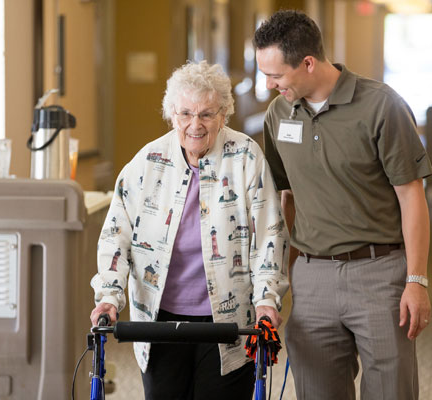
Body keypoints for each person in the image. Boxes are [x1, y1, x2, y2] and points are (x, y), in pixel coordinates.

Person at [254, 10, 432, 400]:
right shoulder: (278, 114)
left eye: (277, 75)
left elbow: (411, 196)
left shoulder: (382, 106)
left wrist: (416, 281)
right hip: (312, 276)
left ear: (308, 62)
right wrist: (284, 276)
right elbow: (285, 197)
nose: (269, 85)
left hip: (380, 272)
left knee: (391, 392)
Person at [89, 60, 289, 400]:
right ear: (171, 114)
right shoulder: (147, 162)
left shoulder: (245, 157)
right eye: (185, 114)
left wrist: (267, 299)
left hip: (228, 318)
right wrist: (109, 296)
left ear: (224, 113)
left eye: (207, 114)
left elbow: (269, 234)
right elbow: (116, 236)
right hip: (158, 319)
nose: (195, 125)